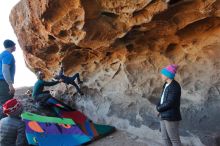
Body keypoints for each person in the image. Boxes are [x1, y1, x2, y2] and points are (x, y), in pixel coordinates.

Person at [156, 64, 182, 146]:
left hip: (171, 116)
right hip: (163, 114)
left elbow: (170, 103)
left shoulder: (175, 86)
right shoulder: (166, 84)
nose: (161, 75)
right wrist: (158, 108)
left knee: (174, 140)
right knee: (165, 138)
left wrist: (158, 109)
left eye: (163, 74)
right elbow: (162, 98)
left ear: (168, 75)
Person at [0, 39, 16, 118]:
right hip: (3, 83)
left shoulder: (2, 54)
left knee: (2, 104)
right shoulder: (8, 55)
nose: (15, 47)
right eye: (14, 46)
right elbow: (5, 69)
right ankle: (5, 126)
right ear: (12, 46)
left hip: (2, 82)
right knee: (6, 104)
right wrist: (10, 84)